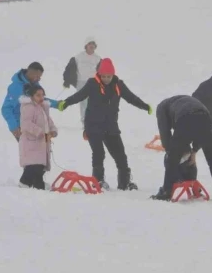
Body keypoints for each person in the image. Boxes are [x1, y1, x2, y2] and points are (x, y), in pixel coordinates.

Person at [57, 58, 151, 191]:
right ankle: (98, 181)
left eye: (109, 76)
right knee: (99, 153)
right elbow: (80, 95)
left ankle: (124, 183)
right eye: (104, 76)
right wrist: (65, 103)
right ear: (99, 75)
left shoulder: (119, 85)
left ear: (113, 75)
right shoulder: (92, 84)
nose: (106, 78)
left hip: (111, 126)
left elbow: (131, 97)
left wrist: (145, 106)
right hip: (93, 126)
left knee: (120, 155)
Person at [151, 95, 212, 201]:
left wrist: (173, 153)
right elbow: (197, 131)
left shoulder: (161, 109)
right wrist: (194, 150)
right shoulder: (181, 100)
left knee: (172, 156)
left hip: (186, 118)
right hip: (205, 118)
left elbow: (165, 135)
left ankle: (166, 192)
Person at [2, 62, 58, 141]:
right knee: (31, 151)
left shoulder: (34, 83)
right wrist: (13, 126)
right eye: (37, 76)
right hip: (22, 127)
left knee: (42, 150)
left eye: (40, 77)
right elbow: (6, 109)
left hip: (36, 124)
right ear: (30, 72)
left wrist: (57, 104)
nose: (39, 79)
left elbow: (40, 98)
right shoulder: (15, 87)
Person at [18, 85, 58, 189]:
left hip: (42, 142)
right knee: (33, 165)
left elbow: (48, 121)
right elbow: (26, 123)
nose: (41, 98)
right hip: (31, 142)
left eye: (42, 95)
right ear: (31, 96)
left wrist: (53, 130)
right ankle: (24, 182)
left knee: (40, 165)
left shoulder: (43, 108)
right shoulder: (28, 107)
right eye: (38, 95)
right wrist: (40, 132)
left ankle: (38, 183)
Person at [62, 37, 101, 127]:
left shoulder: (98, 58)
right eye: (90, 44)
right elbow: (70, 68)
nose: (91, 46)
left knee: (93, 101)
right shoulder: (78, 57)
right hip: (81, 82)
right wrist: (67, 80)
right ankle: (85, 121)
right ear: (86, 46)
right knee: (83, 102)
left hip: (93, 83)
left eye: (93, 45)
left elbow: (102, 72)